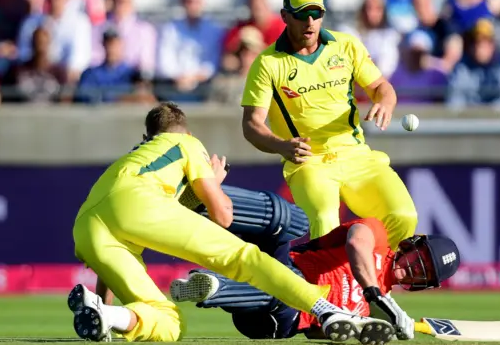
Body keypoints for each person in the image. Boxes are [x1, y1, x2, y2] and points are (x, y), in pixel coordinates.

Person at [66, 102, 395, 343]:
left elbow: (122, 217)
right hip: (139, 207)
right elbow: (223, 215)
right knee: (246, 259)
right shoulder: (188, 144)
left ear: (146, 136)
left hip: (86, 225)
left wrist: (102, 302)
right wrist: (212, 182)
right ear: (189, 132)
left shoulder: (131, 159)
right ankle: (325, 308)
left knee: (166, 324)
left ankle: (108, 316)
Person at [240, 0, 418, 267]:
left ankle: (370, 283)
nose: (310, 22)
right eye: (302, 14)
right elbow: (251, 125)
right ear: (285, 16)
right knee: (324, 220)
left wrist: (385, 102)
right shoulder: (267, 63)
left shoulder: (346, 45)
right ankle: (331, 304)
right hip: (309, 161)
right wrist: (281, 146)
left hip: (355, 154)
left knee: (404, 217)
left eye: (316, 13)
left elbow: (382, 87)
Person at [170, 204, 459, 341]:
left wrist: (376, 332)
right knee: (287, 220)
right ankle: (203, 203)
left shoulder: (378, 310)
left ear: (424, 284)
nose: (414, 268)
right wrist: (376, 295)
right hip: (283, 264)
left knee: (285, 292)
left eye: (424, 271)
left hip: (283, 318)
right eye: (418, 258)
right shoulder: (378, 236)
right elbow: (357, 242)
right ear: (409, 245)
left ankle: (215, 289)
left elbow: (320, 333)